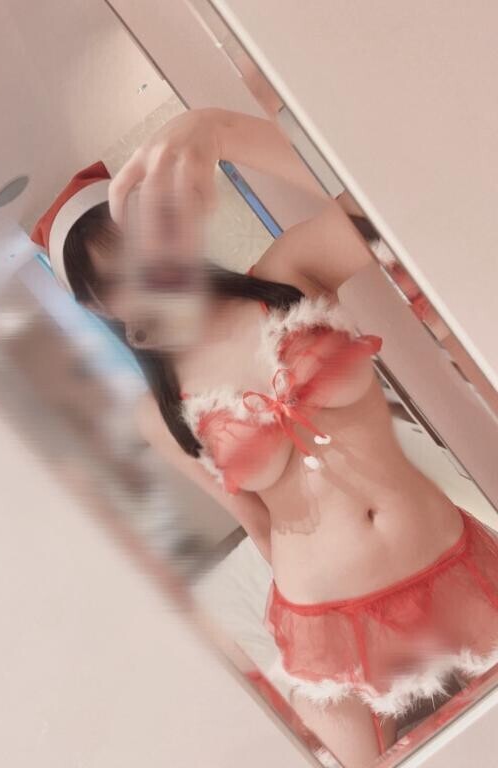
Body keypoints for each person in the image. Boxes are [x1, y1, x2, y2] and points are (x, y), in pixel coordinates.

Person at [31, 108, 498, 768]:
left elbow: (383, 194)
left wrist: (221, 132)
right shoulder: (159, 412)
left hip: (449, 559)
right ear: (101, 306)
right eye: (113, 280)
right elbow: (254, 520)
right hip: (328, 625)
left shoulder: (288, 274)